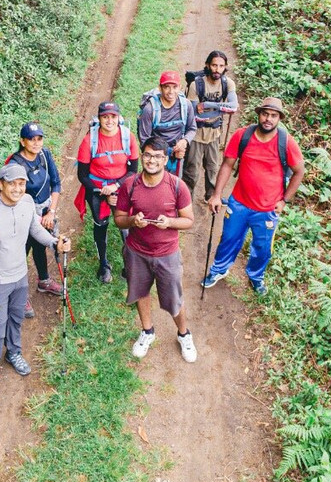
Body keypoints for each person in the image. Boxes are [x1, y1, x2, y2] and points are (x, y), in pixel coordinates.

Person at [0, 163, 70, 397]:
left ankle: (13, 352)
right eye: (11, 183)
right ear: (0, 184)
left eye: (21, 183)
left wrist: (54, 242)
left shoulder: (26, 202)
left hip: (20, 275)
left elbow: (35, 229)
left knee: (16, 318)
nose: (17, 188)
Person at [201, 97, 307, 297]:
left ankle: (256, 276)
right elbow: (227, 164)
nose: (268, 119)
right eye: (265, 114)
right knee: (229, 239)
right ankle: (219, 270)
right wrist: (216, 195)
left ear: (279, 118)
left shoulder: (286, 142)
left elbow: (299, 171)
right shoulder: (243, 135)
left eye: (274, 116)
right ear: (258, 114)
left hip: (268, 209)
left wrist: (284, 201)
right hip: (239, 202)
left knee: (263, 246)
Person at [114, 137, 197, 361]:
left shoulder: (177, 186)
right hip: (136, 252)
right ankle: (147, 331)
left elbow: (188, 220)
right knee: (140, 292)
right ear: (142, 156)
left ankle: (184, 334)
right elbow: (119, 219)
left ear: (166, 159)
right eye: (148, 155)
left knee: (174, 299)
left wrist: (169, 222)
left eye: (158, 156)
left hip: (167, 253)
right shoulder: (130, 185)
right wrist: (133, 221)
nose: (152, 160)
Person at [75, 102, 140, 283]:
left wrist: (116, 188)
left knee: (125, 226)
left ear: (119, 117)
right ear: (100, 118)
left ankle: (130, 264)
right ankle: (103, 264)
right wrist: (102, 192)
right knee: (100, 225)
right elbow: (82, 175)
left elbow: (133, 170)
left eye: (113, 116)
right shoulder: (90, 140)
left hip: (121, 187)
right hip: (96, 189)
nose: (109, 120)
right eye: (105, 117)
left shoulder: (128, 137)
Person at [4, 121, 63, 318]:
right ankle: (19, 296)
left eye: (39, 138)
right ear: (22, 141)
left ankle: (44, 281)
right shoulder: (15, 165)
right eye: (31, 139)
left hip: (45, 211)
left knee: (40, 247)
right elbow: (12, 195)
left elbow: (56, 183)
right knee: (21, 253)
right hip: (21, 214)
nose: (36, 143)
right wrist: (36, 218)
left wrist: (51, 212)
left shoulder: (45, 155)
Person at [183, 50, 238, 201]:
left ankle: (212, 197)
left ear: (225, 67)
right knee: (191, 171)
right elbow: (195, 114)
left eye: (221, 66)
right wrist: (221, 109)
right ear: (208, 65)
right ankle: (186, 201)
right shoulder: (196, 85)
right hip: (196, 135)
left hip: (214, 134)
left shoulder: (228, 84)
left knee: (213, 169)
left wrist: (207, 104)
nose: (217, 69)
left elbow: (233, 107)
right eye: (214, 65)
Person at [136, 71, 196, 176]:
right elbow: (144, 139)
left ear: (180, 87)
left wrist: (185, 141)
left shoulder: (186, 105)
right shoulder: (150, 110)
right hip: (156, 156)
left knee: (174, 186)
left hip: (177, 155)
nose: (171, 91)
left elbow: (192, 128)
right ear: (160, 87)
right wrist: (164, 153)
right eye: (166, 87)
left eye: (174, 87)